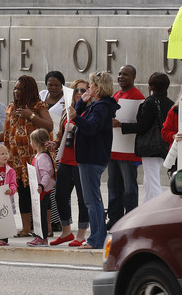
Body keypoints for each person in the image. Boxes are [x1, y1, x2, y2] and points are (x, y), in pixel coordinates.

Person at [0, 75, 54, 237]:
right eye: (15, 88)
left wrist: (31, 116)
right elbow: (6, 135)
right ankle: (26, 228)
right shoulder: (11, 108)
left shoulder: (38, 106)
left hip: (35, 159)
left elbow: (49, 126)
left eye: (20, 89)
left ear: (29, 90)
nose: (16, 91)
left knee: (40, 193)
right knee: (23, 193)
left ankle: (46, 227)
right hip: (17, 161)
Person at [68, 71, 119, 249]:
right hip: (90, 157)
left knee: (92, 200)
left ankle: (96, 239)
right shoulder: (97, 104)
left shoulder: (101, 107)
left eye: (91, 85)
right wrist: (82, 102)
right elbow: (80, 116)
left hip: (92, 157)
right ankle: (98, 237)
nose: (88, 88)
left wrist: (76, 118)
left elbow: (91, 127)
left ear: (97, 87)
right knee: (93, 199)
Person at [114, 72, 174, 203]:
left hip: (150, 147)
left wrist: (121, 125)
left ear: (151, 86)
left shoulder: (150, 102)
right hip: (164, 145)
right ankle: (147, 208)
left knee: (152, 181)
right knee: (149, 179)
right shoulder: (171, 103)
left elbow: (141, 127)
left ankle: (157, 210)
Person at [45, 79, 89, 247]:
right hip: (65, 158)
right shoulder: (66, 111)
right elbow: (61, 133)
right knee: (60, 196)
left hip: (82, 161)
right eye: (76, 90)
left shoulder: (89, 110)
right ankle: (66, 232)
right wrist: (55, 143)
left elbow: (91, 130)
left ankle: (81, 234)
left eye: (83, 90)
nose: (79, 92)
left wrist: (77, 126)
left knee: (83, 198)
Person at [106, 65, 144, 229]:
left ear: (133, 77)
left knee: (129, 188)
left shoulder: (137, 96)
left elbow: (140, 124)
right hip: (113, 149)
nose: (121, 77)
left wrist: (120, 124)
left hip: (128, 152)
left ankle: (130, 220)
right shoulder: (116, 94)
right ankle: (114, 219)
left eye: (125, 74)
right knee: (113, 186)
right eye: (120, 73)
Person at [38, 70, 65, 233]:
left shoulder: (66, 99)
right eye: (50, 84)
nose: (53, 87)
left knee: (53, 184)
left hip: (56, 145)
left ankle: (56, 221)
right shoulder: (41, 95)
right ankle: (41, 219)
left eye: (56, 85)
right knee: (41, 183)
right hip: (41, 145)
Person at [26, 128, 55, 247]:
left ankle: (43, 237)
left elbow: (46, 174)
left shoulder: (42, 157)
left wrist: (41, 186)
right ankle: (39, 235)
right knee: (37, 214)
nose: (30, 143)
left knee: (41, 214)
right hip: (38, 191)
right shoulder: (38, 156)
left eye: (31, 141)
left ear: (37, 142)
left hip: (42, 191)